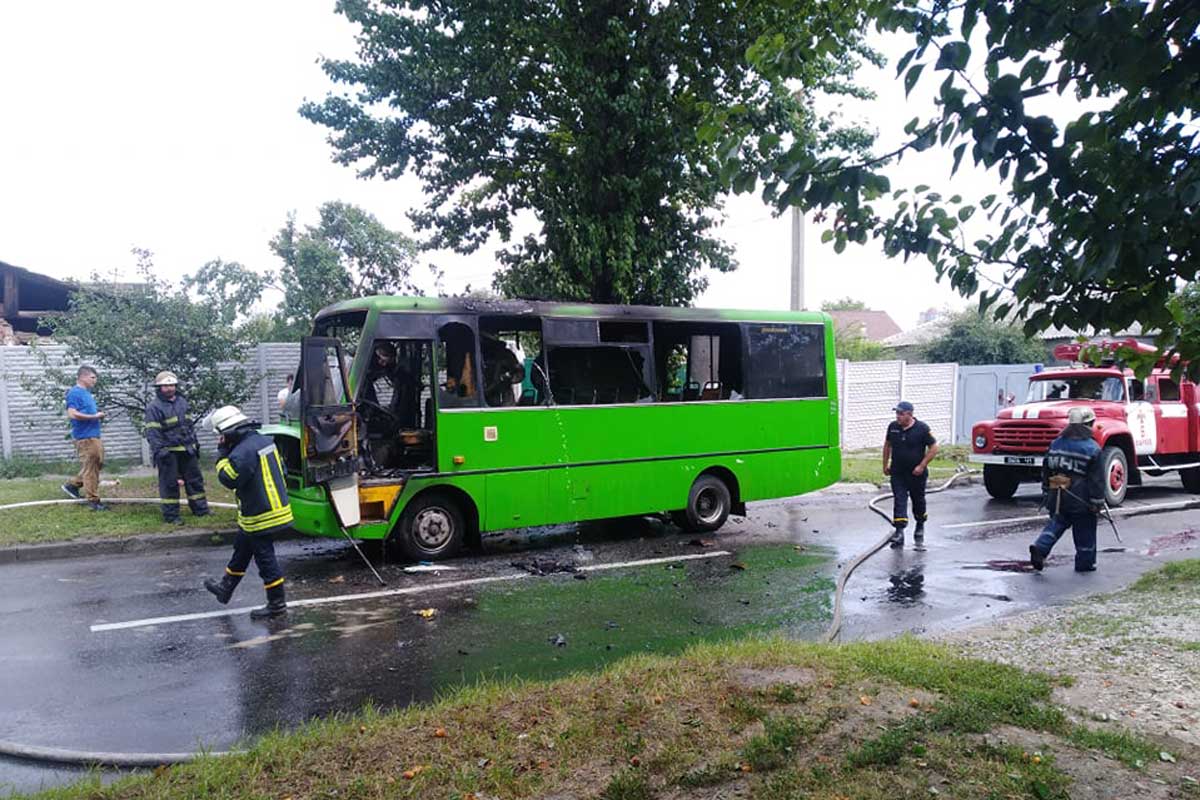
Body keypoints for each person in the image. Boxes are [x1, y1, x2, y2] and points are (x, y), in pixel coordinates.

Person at [202, 405, 294, 619]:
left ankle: (277, 605)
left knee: (265, 560)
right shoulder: (263, 440)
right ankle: (225, 588)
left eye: (222, 436)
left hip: (261, 514)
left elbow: (230, 478)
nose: (221, 439)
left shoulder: (243, 451)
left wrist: (221, 455)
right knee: (242, 548)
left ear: (228, 432)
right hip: (268, 508)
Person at [1028, 407, 1104, 572]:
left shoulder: (1055, 444)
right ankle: (1085, 564)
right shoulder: (1092, 449)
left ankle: (1040, 548)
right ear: (1088, 424)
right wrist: (1097, 502)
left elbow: (1046, 470)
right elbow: (1096, 480)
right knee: (1085, 530)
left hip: (1057, 496)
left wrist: (1047, 491)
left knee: (1057, 523)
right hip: (1081, 499)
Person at [144, 370, 209, 525]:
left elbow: (189, 426)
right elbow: (153, 432)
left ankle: (201, 510)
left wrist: (195, 444)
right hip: (168, 451)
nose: (169, 388)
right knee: (170, 484)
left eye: (172, 385)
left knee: (195, 481)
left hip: (187, 449)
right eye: (165, 386)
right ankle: (171, 515)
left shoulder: (182, 402)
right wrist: (160, 450)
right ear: (159, 388)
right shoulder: (154, 407)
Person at [882, 400, 939, 547]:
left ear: (910, 414)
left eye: (901, 414)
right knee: (899, 499)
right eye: (897, 413)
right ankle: (899, 532)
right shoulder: (893, 427)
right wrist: (885, 464)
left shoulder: (922, 428)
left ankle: (920, 524)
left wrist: (922, 465)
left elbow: (934, 447)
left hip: (916, 474)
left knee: (918, 500)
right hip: (898, 472)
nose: (898, 417)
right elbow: (887, 445)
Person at [61, 365, 108, 511]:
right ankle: (93, 501)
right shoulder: (74, 393)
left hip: (93, 435)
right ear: (83, 377)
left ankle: (72, 485)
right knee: (91, 468)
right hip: (85, 437)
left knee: (96, 464)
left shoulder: (86, 393)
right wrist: (94, 416)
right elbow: (72, 413)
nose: (95, 380)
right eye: (93, 377)